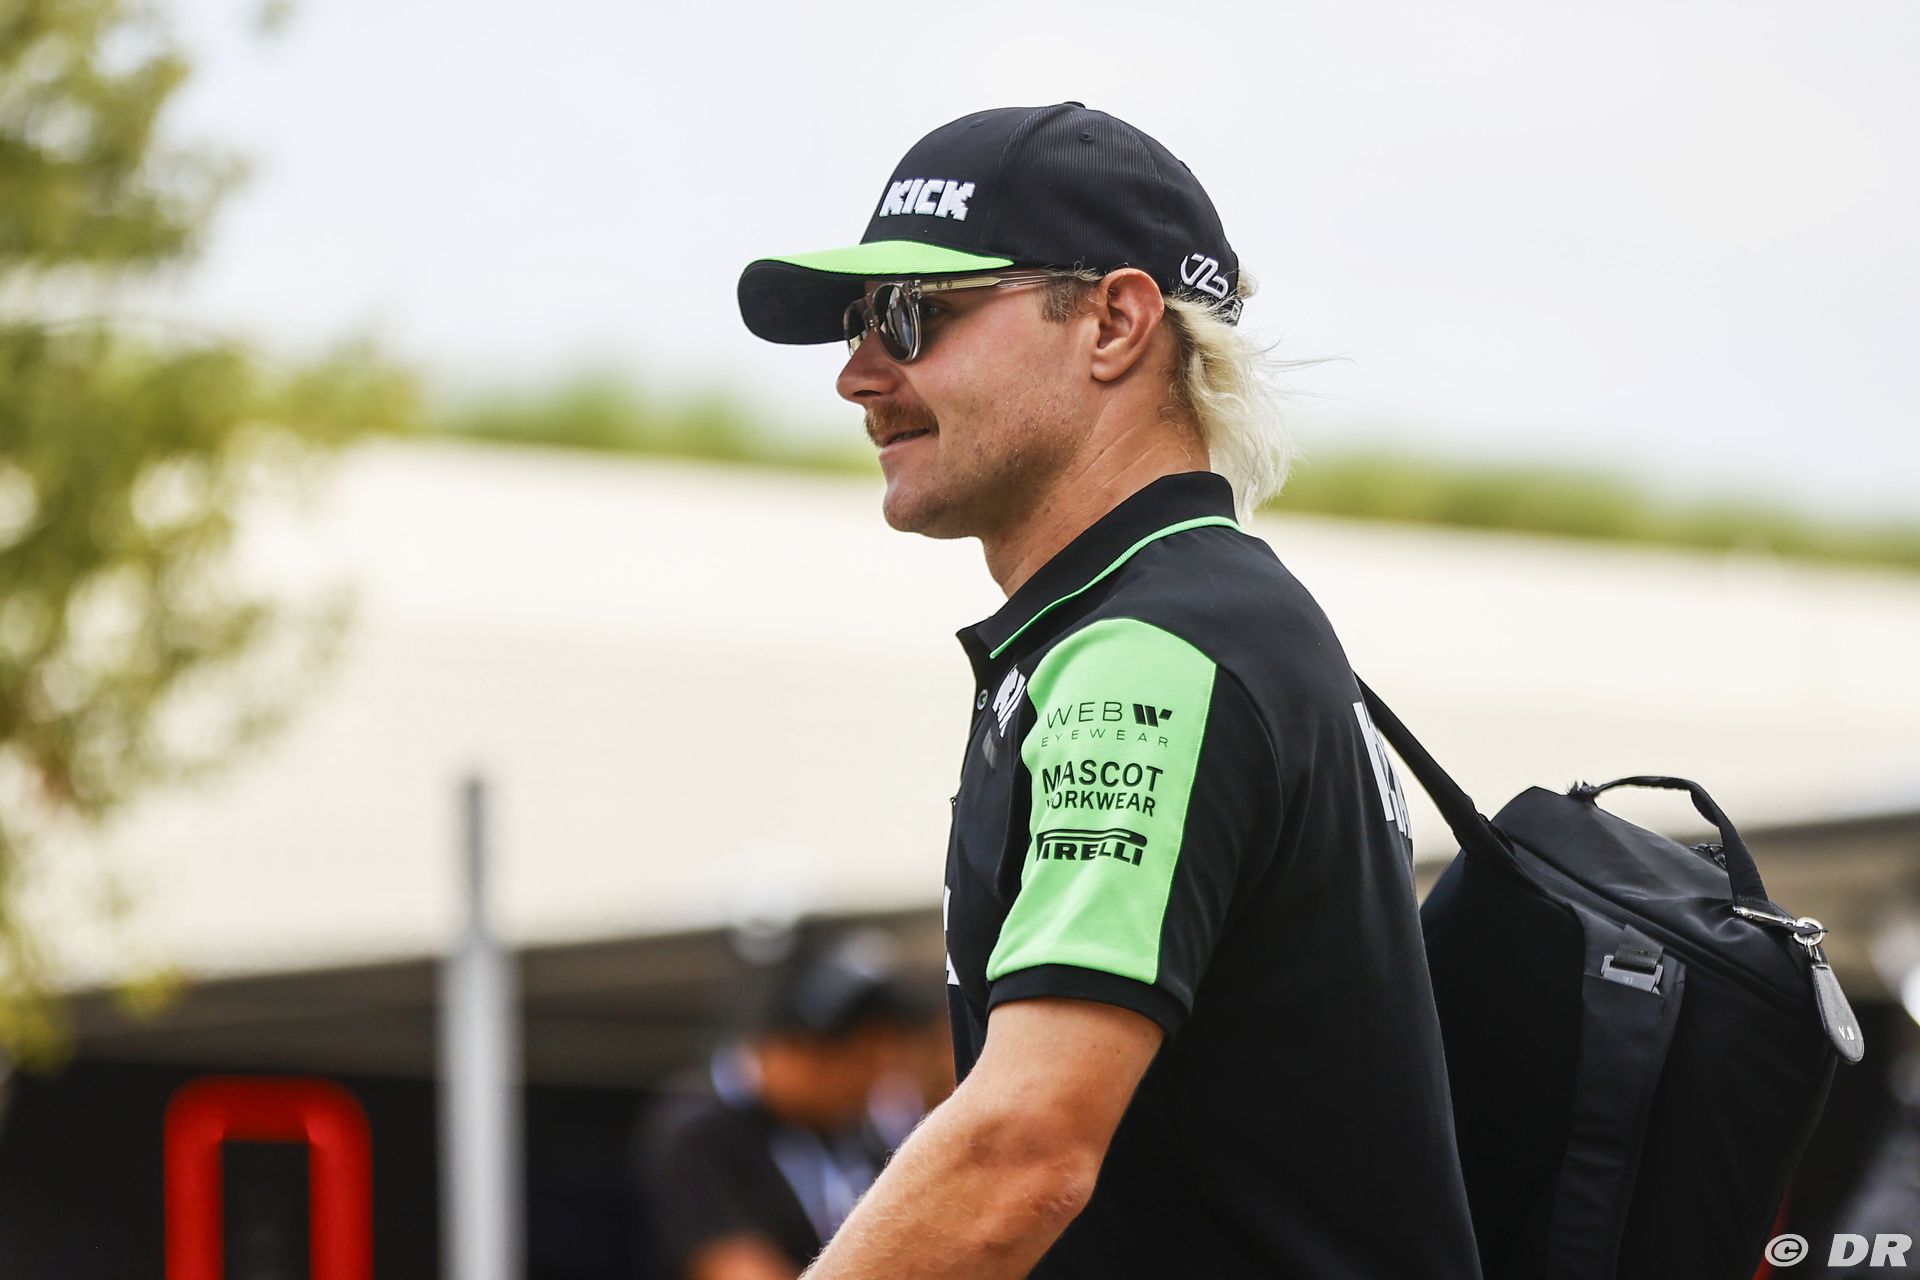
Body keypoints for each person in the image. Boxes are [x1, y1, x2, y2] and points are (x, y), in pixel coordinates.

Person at [735, 103, 1482, 1278]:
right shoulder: (1190, 616)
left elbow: (1021, 1154)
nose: (857, 373)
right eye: (856, 322)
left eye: (911, 314)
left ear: (1115, 322)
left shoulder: (1154, 648)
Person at [634, 929, 922, 1280]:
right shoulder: (702, 1131)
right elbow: (738, 1270)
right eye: (859, 1061)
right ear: (791, 1049)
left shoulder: (860, 1134)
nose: (873, 1081)